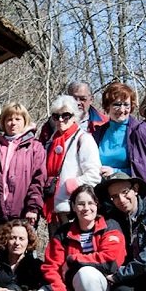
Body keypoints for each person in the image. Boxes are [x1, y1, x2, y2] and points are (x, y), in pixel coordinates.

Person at [35, 185, 126, 291]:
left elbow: (111, 261)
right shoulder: (63, 233)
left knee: (86, 274)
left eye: (91, 203)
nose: (86, 208)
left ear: (97, 205)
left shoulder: (110, 226)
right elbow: (51, 268)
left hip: (104, 288)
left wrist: (73, 259)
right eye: (81, 204)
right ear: (73, 206)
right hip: (69, 289)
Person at [92, 82, 146, 211]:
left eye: (126, 104)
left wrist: (115, 172)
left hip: (134, 200)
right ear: (107, 106)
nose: (122, 110)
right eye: (116, 104)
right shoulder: (99, 133)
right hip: (105, 199)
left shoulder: (141, 131)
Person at [0, 102, 46, 244]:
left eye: (18, 119)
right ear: (3, 122)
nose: (13, 123)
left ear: (25, 121)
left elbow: (38, 181)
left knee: (21, 259)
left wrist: (33, 208)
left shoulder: (35, 147)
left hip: (22, 215)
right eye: (9, 119)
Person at [42, 95, 102, 237]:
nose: (61, 120)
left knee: (74, 253)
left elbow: (94, 175)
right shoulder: (51, 141)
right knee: (57, 253)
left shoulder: (84, 139)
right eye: (56, 116)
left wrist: (73, 185)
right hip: (53, 209)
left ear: (75, 117)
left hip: (74, 210)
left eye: (66, 115)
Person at [38, 81, 108, 144]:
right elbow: (42, 149)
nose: (78, 102)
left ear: (91, 99)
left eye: (82, 99)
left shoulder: (103, 122)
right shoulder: (54, 121)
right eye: (73, 98)